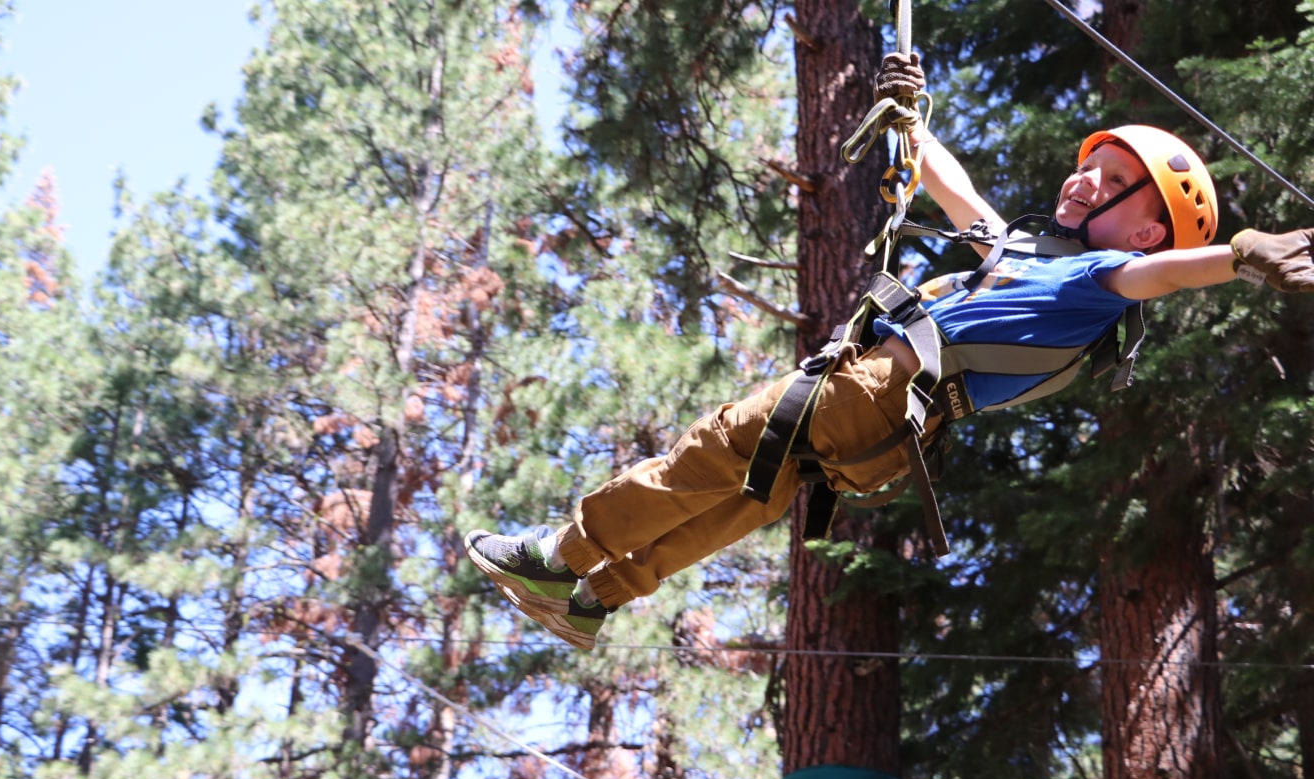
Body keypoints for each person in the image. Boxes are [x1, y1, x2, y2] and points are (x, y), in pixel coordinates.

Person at [464, 53, 1314, 650]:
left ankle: (562, 556)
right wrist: (912, 116)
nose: (1080, 179)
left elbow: (1163, 278)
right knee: (744, 495)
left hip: (881, 389)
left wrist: (1239, 253)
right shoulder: (1027, 257)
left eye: (1109, 178)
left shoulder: (1106, 278)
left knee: (719, 446)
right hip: (886, 428)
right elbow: (954, 192)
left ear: (1147, 223)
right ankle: (592, 600)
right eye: (1086, 166)